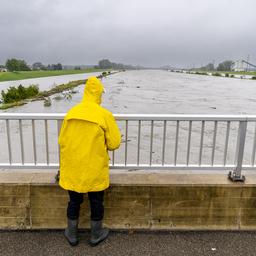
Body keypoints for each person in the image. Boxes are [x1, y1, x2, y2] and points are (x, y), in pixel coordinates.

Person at [58, 76, 121, 246]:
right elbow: (115, 143)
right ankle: (96, 235)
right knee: (96, 201)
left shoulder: (71, 113)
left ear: (85, 93)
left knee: (74, 201)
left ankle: (72, 234)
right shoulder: (104, 115)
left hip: (73, 167)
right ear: (99, 94)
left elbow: (62, 141)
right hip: (94, 167)